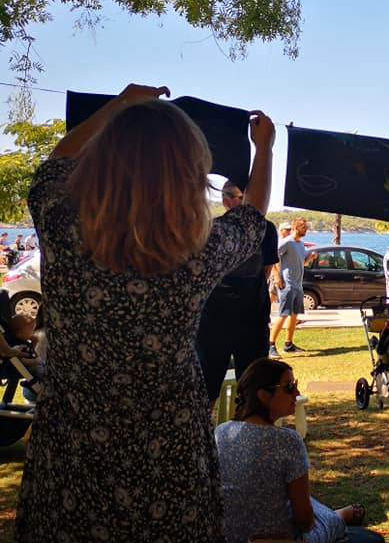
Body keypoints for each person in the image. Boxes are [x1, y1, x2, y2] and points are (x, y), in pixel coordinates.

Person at [16, 84, 274, 542]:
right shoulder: (196, 252)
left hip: (69, 454)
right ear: (189, 174)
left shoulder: (60, 223)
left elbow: (54, 165)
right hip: (169, 458)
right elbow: (253, 217)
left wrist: (120, 106)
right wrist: (265, 149)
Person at [216, 358, 383, 543]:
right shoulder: (287, 441)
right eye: (289, 387)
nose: (297, 392)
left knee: (312, 505)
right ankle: (342, 515)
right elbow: (305, 521)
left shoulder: (221, 432)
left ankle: (342, 513)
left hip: (230, 535)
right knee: (326, 519)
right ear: (264, 395)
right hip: (284, 539)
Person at [197, 180, 280, 407]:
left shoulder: (267, 229)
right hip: (213, 322)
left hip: (252, 322)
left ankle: (248, 437)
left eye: (247, 197)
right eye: (238, 197)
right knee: (206, 389)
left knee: (254, 388)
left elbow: (266, 269)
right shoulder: (212, 230)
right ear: (225, 201)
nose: (244, 202)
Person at [269, 217, 317, 357]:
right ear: (296, 228)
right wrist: (277, 276)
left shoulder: (301, 244)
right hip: (287, 284)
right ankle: (271, 345)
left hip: (298, 284)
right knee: (283, 314)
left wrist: (311, 258)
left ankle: (288, 344)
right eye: (303, 228)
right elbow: (273, 255)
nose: (306, 230)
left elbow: (303, 263)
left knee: (294, 315)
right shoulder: (287, 242)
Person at [269, 221, 293, 306]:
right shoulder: (277, 242)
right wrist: (276, 275)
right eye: (287, 229)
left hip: (285, 273)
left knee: (286, 296)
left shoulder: (288, 242)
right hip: (278, 274)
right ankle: (262, 315)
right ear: (281, 230)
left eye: (290, 229)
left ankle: (292, 317)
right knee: (273, 296)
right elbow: (271, 258)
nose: (289, 231)